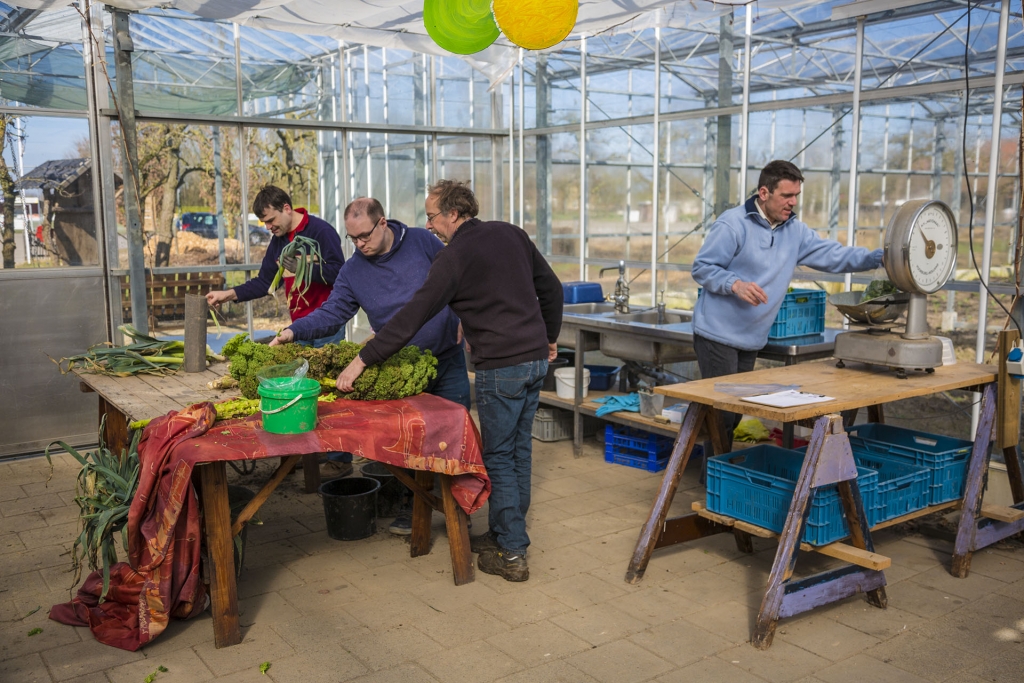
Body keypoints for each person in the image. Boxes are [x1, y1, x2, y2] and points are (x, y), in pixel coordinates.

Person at [335, 180, 563, 582]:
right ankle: (505, 534)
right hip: (533, 364)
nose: (429, 224)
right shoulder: (511, 233)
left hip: (501, 368)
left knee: (500, 459)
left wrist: (361, 361)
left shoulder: (453, 257)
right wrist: (548, 337)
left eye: (432, 216)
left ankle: (511, 553)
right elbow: (552, 289)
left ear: (454, 214)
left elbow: (412, 315)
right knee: (518, 452)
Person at [269, 196, 470, 534]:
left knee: (456, 440)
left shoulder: (421, 242)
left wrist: (466, 316)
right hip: (398, 372)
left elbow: (460, 278)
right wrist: (293, 331)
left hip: (446, 360)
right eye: (353, 239)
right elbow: (332, 314)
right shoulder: (354, 270)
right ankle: (413, 506)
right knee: (409, 444)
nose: (359, 245)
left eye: (365, 236)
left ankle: (460, 509)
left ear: (382, 223)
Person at [691, 159, 883, 455]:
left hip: (751, 337)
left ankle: (721, 474)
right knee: (722, 415)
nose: (792, 203)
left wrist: (876, 258)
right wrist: (735, 284)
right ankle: (715, 481)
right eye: (786, 196)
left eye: (796, 196)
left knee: (736, 411)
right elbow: (702, 268)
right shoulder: (732, 224)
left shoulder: (795, 231)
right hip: (717, 334)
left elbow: (833, 255)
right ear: (764, 193)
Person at [206, 185, 346, 349]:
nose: (268, 227)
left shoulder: (321, 231)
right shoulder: (278, 242)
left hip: (327, 326)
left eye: (271, 220)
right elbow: (265, 282)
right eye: (264, 223)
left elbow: (339, 274)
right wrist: (227, 295)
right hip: (298, 327)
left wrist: (302, 269)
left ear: (286, 208)